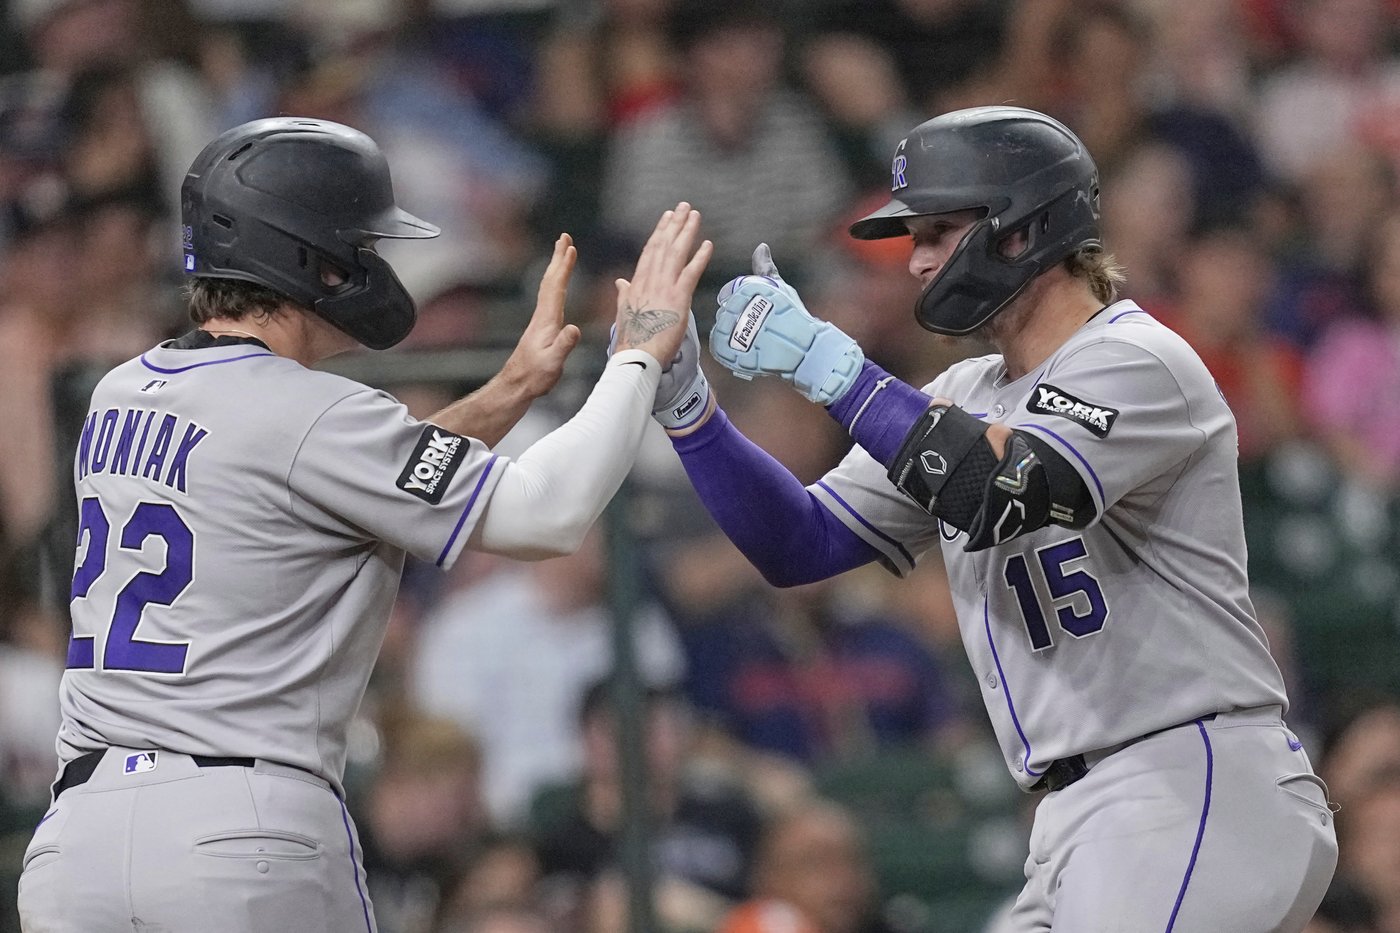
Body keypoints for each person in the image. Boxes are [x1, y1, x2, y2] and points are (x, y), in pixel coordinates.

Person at [648, 105, 1338, 930]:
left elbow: (1000, 486)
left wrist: (833, 368)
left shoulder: (1138, 358)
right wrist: (692, 412)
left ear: (1024, 228)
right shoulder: (962, 394)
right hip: (1084, 810)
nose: (917, 261)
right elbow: (799, 542)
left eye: (938, 232)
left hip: (1190, 777)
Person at [17, 116, 712, 933]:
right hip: (241, 830)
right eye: (359, 246)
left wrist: (510, 389)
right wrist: (639, 352)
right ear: (304, 255)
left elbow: (342, 481)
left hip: (78, 842)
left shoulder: (120, 391)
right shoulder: (315, 409)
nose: (371, 266)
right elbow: (545, 514)